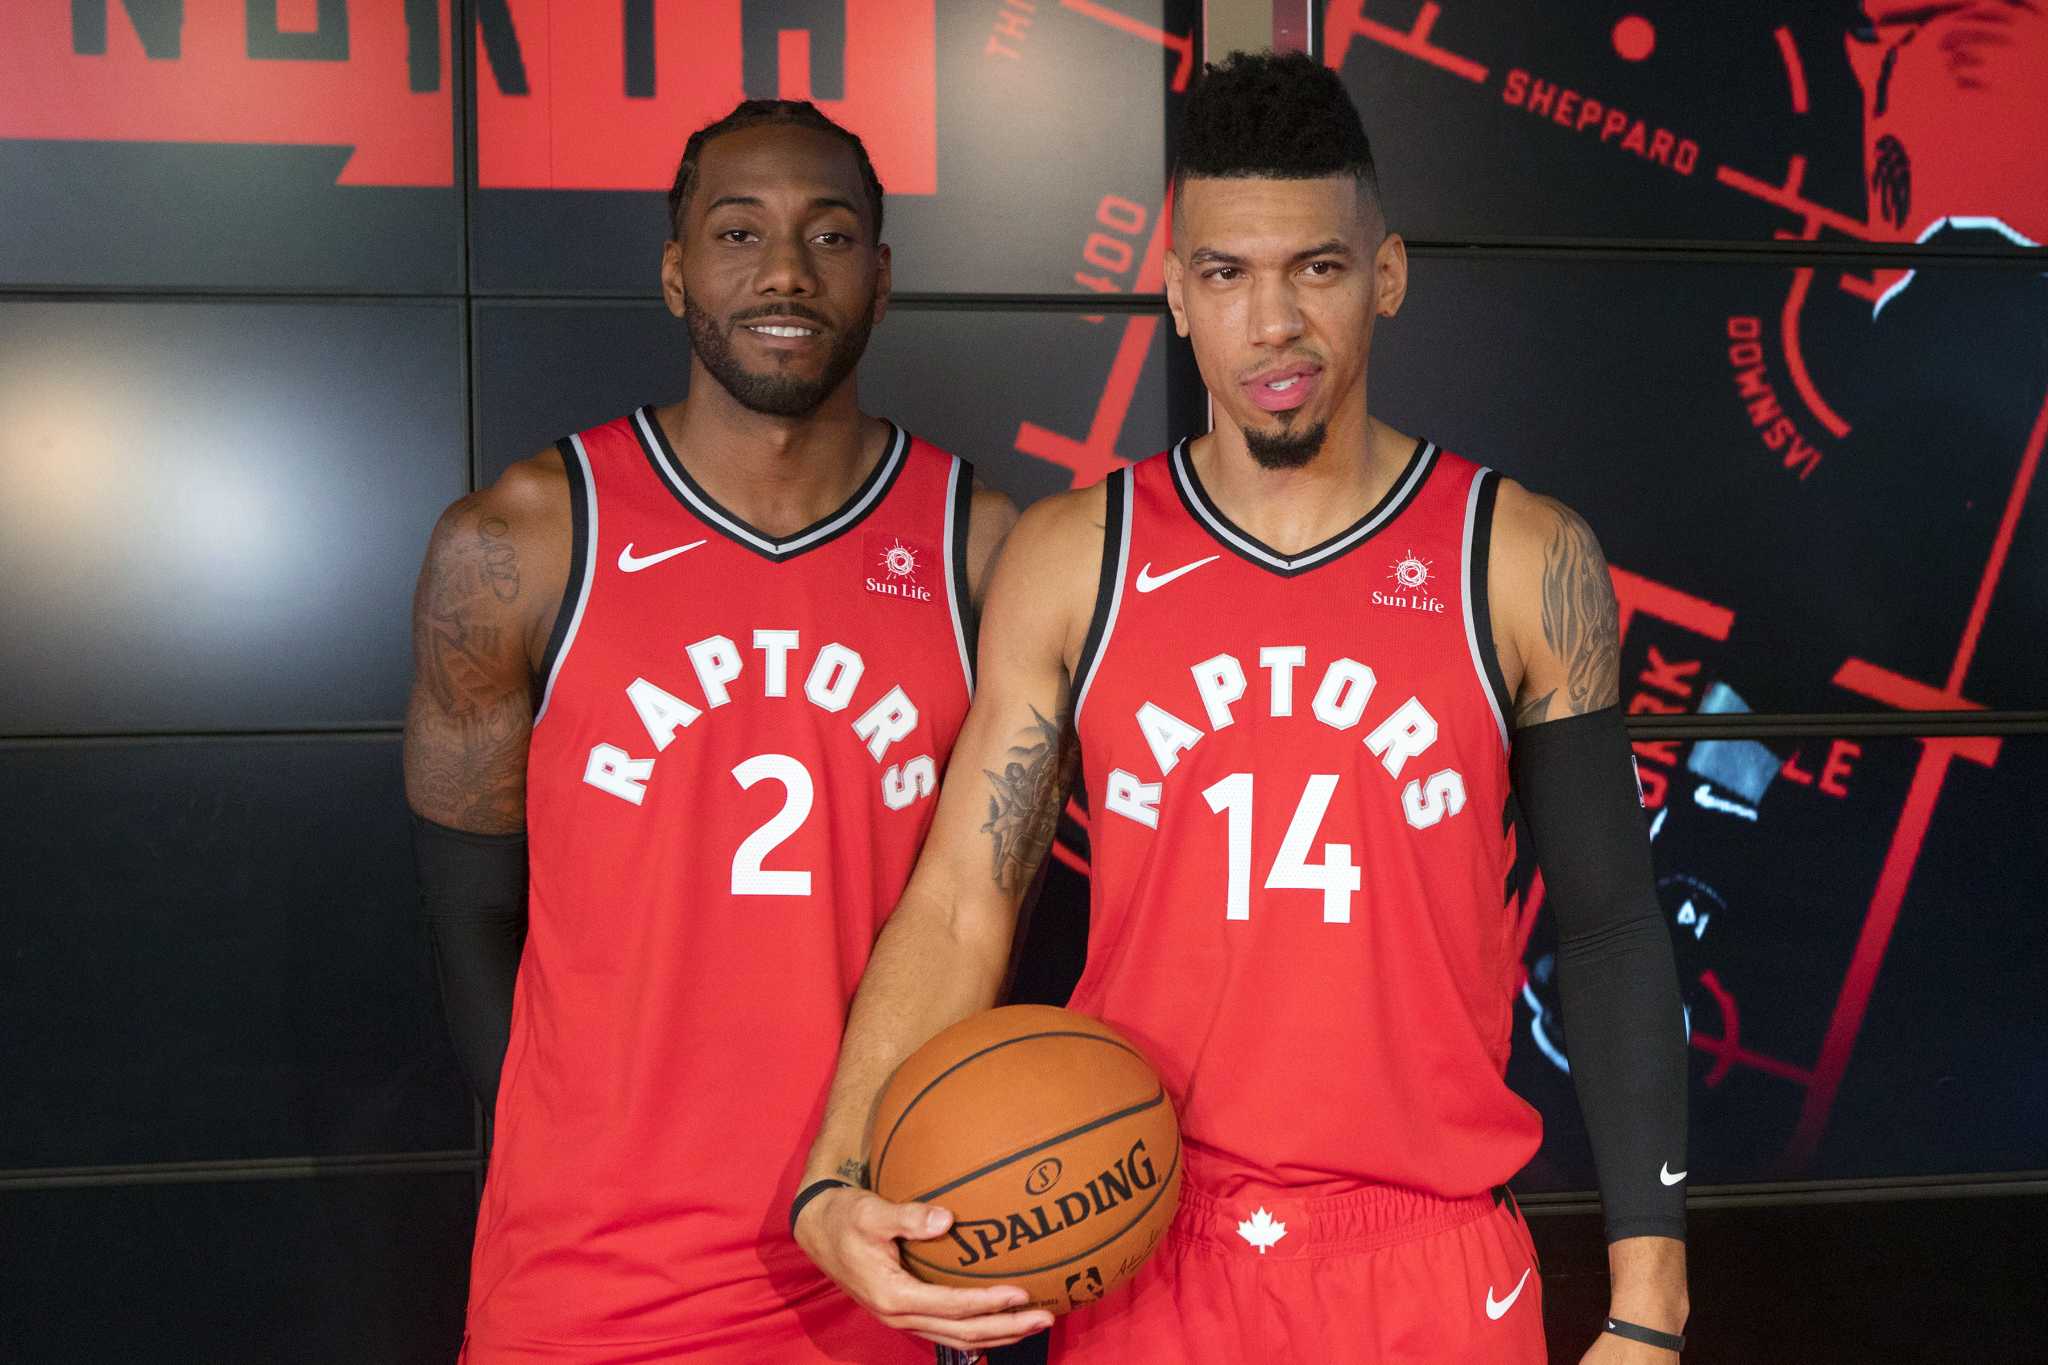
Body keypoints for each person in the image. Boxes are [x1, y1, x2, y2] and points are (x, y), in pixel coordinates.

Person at [791, 52, 1690, 1363]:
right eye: (1226, 273)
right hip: (1143, 1237)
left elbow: (1607, 929)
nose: (1271, 325)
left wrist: (1649, 1297)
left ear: (1385, 274)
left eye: (1316, 268)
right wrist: (835, 1169)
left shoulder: (1521, 558)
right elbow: (961, 897)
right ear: (1174, 291)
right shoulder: (1075, 556)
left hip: (1427, 1256)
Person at [403, 98, 1016, 1363]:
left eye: (830, 236)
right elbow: (470, 911)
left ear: (882, 278)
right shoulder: (516, 544)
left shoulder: (986, 554)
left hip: (872, 1262)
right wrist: (574, 1153)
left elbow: (1000, 909)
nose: (784, 270)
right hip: (581, 1281)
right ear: (675, 267)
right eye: (737, 233)